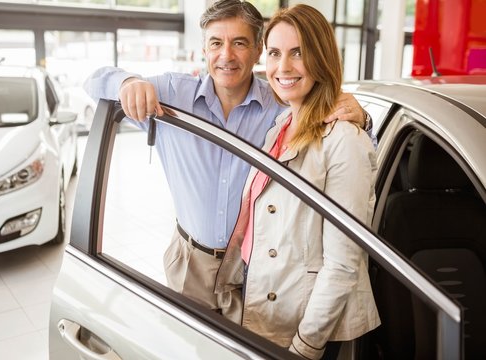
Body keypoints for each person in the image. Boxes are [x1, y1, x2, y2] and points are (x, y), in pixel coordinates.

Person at [84, 0, 370, 319]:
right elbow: (95, 81)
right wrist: (127, 82)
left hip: (255, 269)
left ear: (259, 49)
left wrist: (362, 118)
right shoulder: (169, 95)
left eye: (239, 43)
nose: (226, 56)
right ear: (204, 48)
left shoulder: (283, 106)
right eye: (216, 43)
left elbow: (349, 159)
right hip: (188, 262)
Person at [213, 4, 380, 359]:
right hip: (270, 308)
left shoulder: (344, 140)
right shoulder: (281, 126)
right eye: (274, 53)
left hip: (311, 330)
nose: (283, 67)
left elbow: (343, 263)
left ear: (321, 58)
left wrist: (305, 347)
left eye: (298, 53)